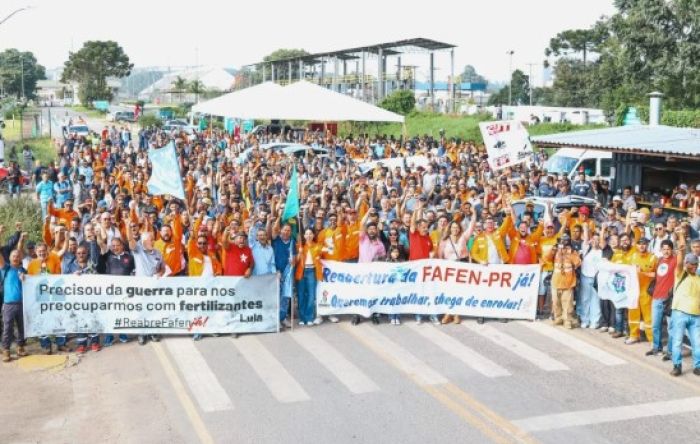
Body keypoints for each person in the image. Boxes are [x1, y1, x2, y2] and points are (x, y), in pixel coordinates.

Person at [63, 244, 101, 353]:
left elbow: (98, 278)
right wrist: (72, 276)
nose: (81, 255)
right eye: (79, 253)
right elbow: (65, 281)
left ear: (87, 253)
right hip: (77, 300)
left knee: (93, 320)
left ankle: (95, 342)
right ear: (75, 254)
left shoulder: (92, 264)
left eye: (83, 253)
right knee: (80, 322)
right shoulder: (71, 266)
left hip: (91, 299)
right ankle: (82, 344)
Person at [668, 252, 700, 377]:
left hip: (696, 316)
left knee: (697, 343)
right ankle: (677, 366)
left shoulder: (698, 278)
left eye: (696, 264)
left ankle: (697, 366)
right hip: (680, 313)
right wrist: (681, 251)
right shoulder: (681, 274)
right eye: (692, 264)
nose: (694, 266)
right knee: (677, 341)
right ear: (687, 264)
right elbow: (679, 263)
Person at [99, 238, 135, 346]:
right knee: (110, 314)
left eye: (117, 245)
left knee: (123, 313)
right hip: (111, 291)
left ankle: (123, 334)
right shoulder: (108, 257)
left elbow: (134, 272)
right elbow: (99, 264)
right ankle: (109, 336)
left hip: (124, 291)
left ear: (122, 246)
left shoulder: (129, 257)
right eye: (113, 246)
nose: (115, 248)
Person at [409, 199, 438, 325]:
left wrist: (432, 255)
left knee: (429, 292)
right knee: (418, 292)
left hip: (427, 270)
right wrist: (417, 210)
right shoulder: (414, 234)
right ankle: (418, 315)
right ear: (419, 227)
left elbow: (431, 251)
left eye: (427, 227)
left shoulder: (428, 238)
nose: (426, 229)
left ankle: (432, 315)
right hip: (416, 268)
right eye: (424, 227)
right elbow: (412, 223)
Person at [354, 215, 387, 325]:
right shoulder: (363, 239)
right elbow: (362, 224)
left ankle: (373, 315)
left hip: (373, 274)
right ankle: (357, 316)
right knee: (359, 294)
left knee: (372, 294)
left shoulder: (380, 244)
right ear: (367, 231)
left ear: (376, 231)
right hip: (361, 272)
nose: (372, 231)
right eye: (370, 229)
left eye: (374, 229)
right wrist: (368, 212)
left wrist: (378, 259)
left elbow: (383, 257)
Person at [625, 237, 657, 344]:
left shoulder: (653, 258)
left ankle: (652, 339)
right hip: (634, 290)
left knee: (648, 316)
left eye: (644, 244)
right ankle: (634, 335)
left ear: (647, 245)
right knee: (633, 313)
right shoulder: (632, 256)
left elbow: (657, 275)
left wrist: (643, 273)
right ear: (636, 245)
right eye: (639, 244)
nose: (642, 246)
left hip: (646, 291)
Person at [647, 240, 676, 357]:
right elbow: (656, 276)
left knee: (671, 327)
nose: (666, 251)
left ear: (672, 250)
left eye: (668, 249)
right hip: (656, 297)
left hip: (669, 299)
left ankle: (670, 352)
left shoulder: (675, 260)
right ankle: (656, 348)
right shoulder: (659, 261)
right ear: (661, 250)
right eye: (664, 249)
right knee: (655, 325)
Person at [1, 235, 27, 362]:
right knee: (8, 328)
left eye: (18, 256)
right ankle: (6, 350)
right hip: (9, 304)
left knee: (22, 327)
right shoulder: (5, 268)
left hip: (22, 303)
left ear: (20, 257)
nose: (16, 257)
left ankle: (20, 347)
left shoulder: (23, 270)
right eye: (14, 256)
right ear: (10, 258)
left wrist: (25, 279)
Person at [548, 236, 581, 329]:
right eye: (562, 241)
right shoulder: (556, 251)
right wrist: (553, 250)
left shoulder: (572, 251)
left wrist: (568, 253)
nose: (564, 243)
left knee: (567, 303)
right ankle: (558, 318)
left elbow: (577, 263)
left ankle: (567, 320)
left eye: (566, 241)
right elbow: (547, 258)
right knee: (555, 302)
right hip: (556, 281)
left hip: (568, 282)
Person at [295, 228, 323, 326]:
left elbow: (325, 251)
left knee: (311, 296)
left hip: (312, 271)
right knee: (301, 295)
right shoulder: (300, 246)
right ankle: (302, 318)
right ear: (304, 236)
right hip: (301, 272)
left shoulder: (317, 246)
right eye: (306, 234)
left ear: (313, 235)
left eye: (310, 233)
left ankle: (309, 316)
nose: (308, 235)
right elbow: (295, 261)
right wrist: (299, 252)